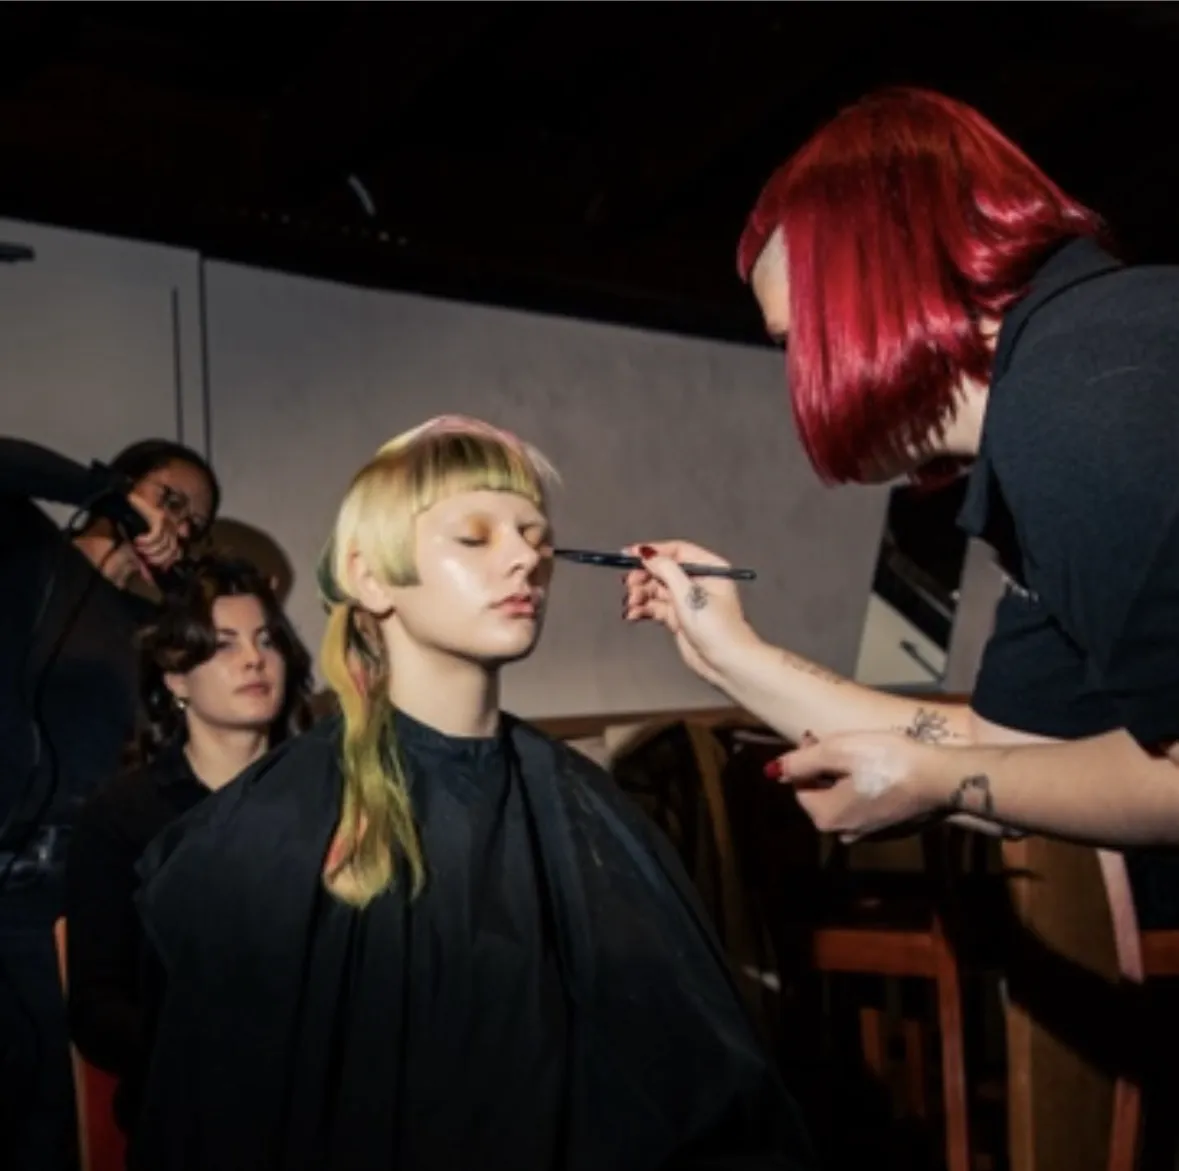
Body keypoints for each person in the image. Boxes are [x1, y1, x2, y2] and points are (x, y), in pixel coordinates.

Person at [129, 416, 815, 1171]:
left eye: (532, 532)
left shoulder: (585, 808)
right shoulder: (271, 831)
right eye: (476, 536)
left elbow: (695, 1094)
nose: (525, 556)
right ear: (371, 576)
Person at [621, 87, 1179, 912]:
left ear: (872, 288)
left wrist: (944, 780)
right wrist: (732, 654)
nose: (798, 380)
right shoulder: (1052, 398)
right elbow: (1011, 749)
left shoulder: (1083, 400)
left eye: (796, 341)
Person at [0, 435, 219, 1171]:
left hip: (63, 892)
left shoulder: (145, 626)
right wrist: (97, 492)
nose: (178, 525)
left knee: (52, 1116)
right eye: (170, 500)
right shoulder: (28, 546)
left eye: (196, 522)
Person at [64, 557, 312, 1136]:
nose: (254, 659)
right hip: (194, 1108)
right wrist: (212, 1047)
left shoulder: (326, 792)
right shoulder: (122, 816)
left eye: (266, 640)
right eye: (223, 645)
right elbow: (97, 1011)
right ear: (176, 676)